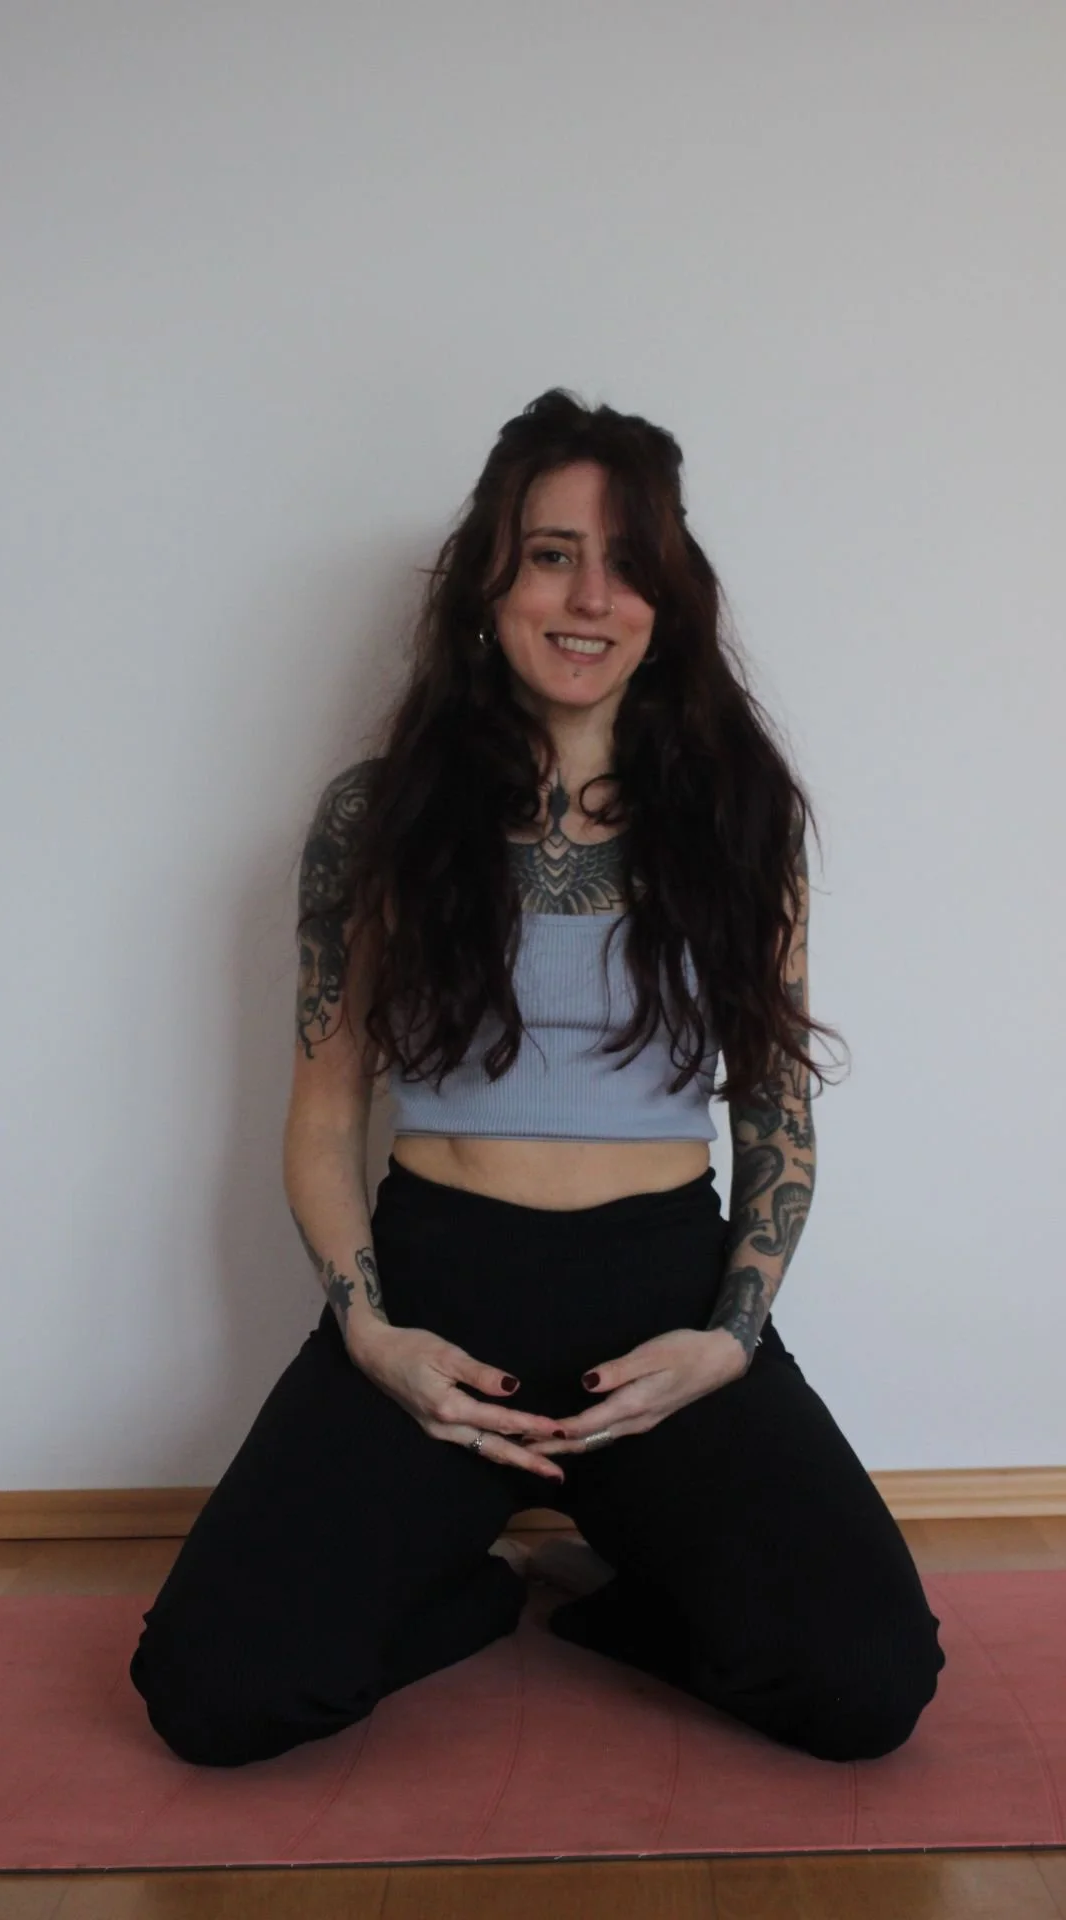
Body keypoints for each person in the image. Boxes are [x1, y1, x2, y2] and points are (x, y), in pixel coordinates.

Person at [129, 388, 945, 1768]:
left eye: (629, 562)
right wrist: (375, 1336)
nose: (590, 596)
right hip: (440, 1291)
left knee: (868, 1688)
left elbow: (775, 1117)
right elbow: (324, 1115)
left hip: (666, 1301)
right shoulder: (373, 819)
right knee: (212, 1695)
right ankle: (471, 1588)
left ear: (671, 598)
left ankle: (628, 1601)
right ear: (489, 579)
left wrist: (729, 1337)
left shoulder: (743, 821)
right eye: (553, 552)